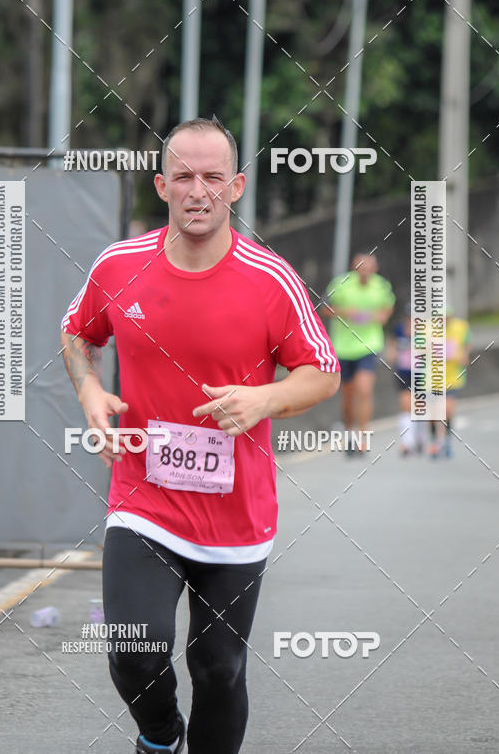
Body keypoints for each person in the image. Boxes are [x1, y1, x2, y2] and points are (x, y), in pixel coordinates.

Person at [60, 116, 340, 754]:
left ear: (236, 186)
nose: (198, 190)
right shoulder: (119, 264)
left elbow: (321, 373)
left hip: (236, 514)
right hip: (144, 500)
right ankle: (159, 736)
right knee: (135, 648)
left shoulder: (271, 279)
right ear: (161, 186)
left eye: (213, 177)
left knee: (219, 669)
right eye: (183, 176)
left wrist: (264, 397)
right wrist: (88, 390)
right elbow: (77, 331)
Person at [322, 253, 395, 454]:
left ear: (375, 268)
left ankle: (363, 436)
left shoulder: (381, 286)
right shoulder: (341, 284)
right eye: (360, 267)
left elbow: (388, 308)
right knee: (347, 396)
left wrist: (382, 315)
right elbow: (325, 309)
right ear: (354, 268)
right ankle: (349, 432)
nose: (364, 271)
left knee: (364, 389)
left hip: (369, 346)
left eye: (368, 267)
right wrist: (346, 313)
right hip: (343, 347)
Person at [429, 306, 471, 458]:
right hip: (433, 376)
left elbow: (466, 344)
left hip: (453, 376)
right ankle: (436, 440)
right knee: (434, 413)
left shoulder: (461, 327)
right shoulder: (428, 329)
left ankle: (445, 439)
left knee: (447, 410)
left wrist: (464, 355)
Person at [386, 305, 425, 456]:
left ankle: (419, 438)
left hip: (421, 374)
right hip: (404, 373)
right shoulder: (399, 331)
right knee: (405, 406)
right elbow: (392, 350)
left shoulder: (425, 332)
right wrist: (394, 354)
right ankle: (406, 443)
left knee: (418, 407)